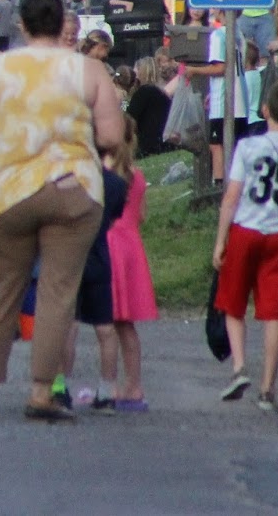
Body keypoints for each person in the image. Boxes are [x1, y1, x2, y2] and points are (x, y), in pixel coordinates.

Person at [0, 0, 123, 423]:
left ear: (22, 25)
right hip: (74, 190)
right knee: (57, 292)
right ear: (63, 22)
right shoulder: (90, 71)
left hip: (10, 191)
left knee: (3, 291)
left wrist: (17, 141)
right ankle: (43, 392)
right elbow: (111, 137)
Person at [211, 78, 278, 411]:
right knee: (274, 312)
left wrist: (220, 240)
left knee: (233, 303)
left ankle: (239, 367)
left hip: (245, 230)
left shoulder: (248, 147)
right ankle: (268, 388)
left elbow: (232, 197)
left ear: (264, 110)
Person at [55, 127, 128, 414]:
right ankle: (107, 390)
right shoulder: (115, 185)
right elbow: (113, 219)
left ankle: (61, 387)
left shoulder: (67, 183)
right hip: (99, 258)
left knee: (68, 326)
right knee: (105, 329)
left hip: (70, 258)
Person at [106, 117, 157, 412]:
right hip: (130, 247)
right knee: (125, 324)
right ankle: (133, 384)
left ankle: (110, 384)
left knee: (108, 324)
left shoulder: (104, 174)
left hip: (110, 244)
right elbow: (139, 215)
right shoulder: (136, 175)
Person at [192, 14, 258, 181]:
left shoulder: (218, 35)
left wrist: (194, 71)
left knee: (216, 145)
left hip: (224, 101)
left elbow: (221, 68)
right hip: (240, 98)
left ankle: (220, 185)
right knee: (236, 146)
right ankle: (239, 182)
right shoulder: (239, 34)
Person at [126, 56, 173, 159]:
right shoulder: (161, 92)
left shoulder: (143, 92)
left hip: (148, 144)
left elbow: (130, 117)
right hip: (165, 142)